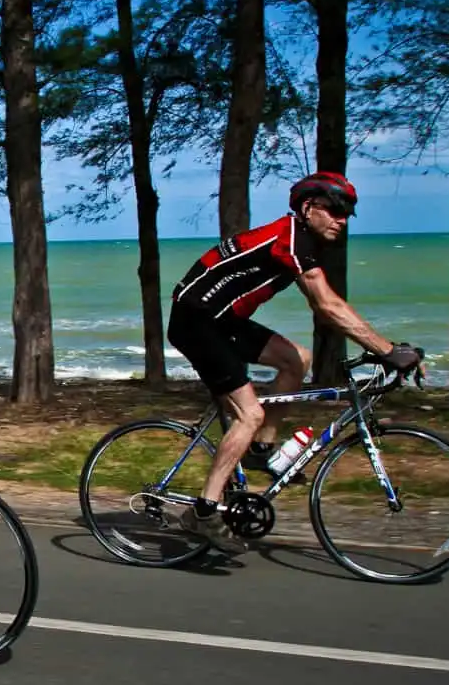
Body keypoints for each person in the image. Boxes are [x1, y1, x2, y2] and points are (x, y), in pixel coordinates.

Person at [166, 172, 423, 553]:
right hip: (196, 322)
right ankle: (204, 512)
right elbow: (328, 305)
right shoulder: (290, 240)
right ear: (308, 208)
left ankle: (260, 451)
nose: (342, 219)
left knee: (296, 360)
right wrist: (387, 350)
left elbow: (327, 306)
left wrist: (385, 348)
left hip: (223, 320)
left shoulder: (298, 239)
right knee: (248, 414)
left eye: (348, 213)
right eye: (335, 210)